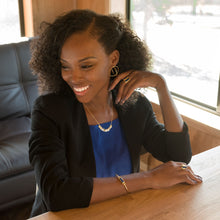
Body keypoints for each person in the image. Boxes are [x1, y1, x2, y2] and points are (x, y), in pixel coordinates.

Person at [28, 9, 202, 217]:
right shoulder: (49, 111)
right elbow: (57, 194)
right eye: (66, 66)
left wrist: (161, 86)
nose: (73, 78)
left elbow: (179, 155)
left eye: (86, 65)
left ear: (113, 59)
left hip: (122, 212)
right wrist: (149, 178)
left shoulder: (134, 105)